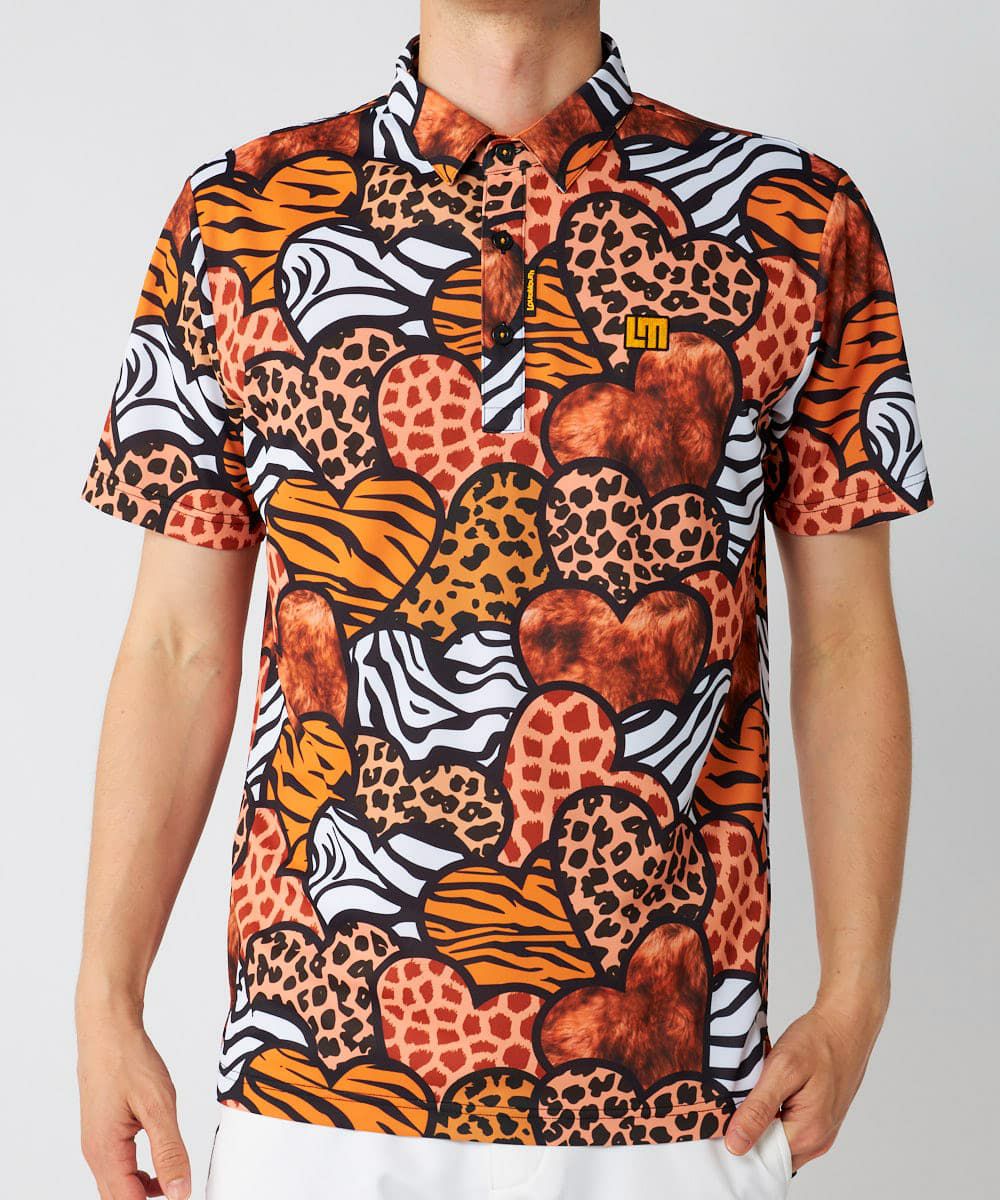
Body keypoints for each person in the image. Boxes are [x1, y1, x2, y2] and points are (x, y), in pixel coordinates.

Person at [75, 1, 934, 1197]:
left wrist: (856, 996)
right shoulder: (237, 219)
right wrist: (105, 997)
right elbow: (177, 646)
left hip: (675, 1099)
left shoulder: (792, 219)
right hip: (312, 1084)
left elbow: (844, 639)